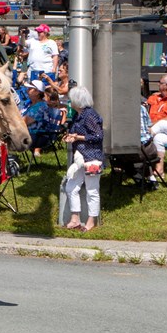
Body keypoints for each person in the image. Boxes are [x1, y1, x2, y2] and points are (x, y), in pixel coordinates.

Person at [61, 86, 104, 231]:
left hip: (92, 157)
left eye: (71, 99)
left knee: (92, 190)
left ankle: (91, 220)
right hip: (80, 157)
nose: (69, 101)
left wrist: (78, 137)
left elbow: (98, 136)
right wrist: (70, 136)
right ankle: (75, 218)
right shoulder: (77, 115)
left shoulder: (90, 115)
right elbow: (74, 132)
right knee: (71, 186)